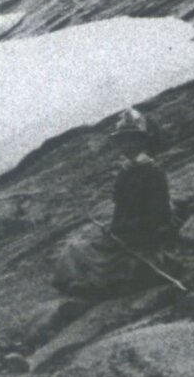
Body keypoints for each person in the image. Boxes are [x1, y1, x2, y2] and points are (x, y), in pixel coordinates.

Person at [52, 117, 178, 298]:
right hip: (122, 237)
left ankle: (97, 288)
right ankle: (89, 284)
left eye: (131, 139)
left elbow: (160, 216)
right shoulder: (125, 172)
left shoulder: (153, 172)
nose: (126, 145)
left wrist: (124, 228)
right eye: (123, 140)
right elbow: (121, 209)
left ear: (142, 141)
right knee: (73, 249)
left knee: (119, 265)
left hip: (143, 239)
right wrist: (112, 227)